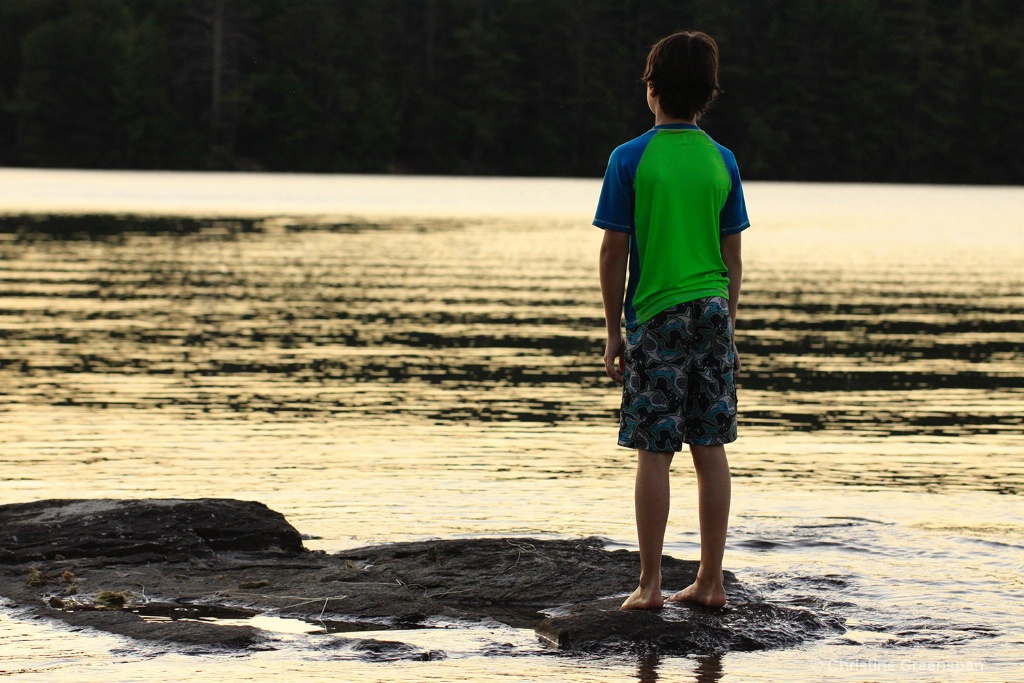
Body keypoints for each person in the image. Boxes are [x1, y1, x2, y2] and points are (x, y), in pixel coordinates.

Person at [594, 30, 749, 610]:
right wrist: (728, 329)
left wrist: (615, 330)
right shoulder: (722, 159)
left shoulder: (630, 157)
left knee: (655, 450)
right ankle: (711, 581)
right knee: (710, 446)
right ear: (708, 94)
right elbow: (732, 256)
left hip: (656, 317)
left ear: (652, 89)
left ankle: (651, 584)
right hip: (712, 311)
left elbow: (614, 250)